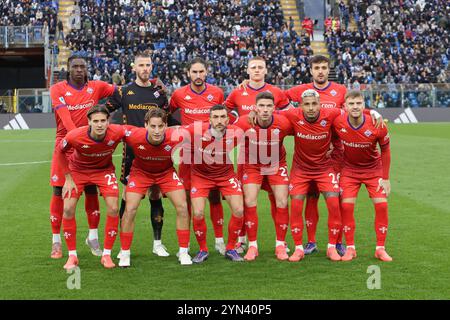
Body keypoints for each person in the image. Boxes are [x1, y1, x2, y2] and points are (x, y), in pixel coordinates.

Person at [49, 55, 116, 260]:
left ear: (86, 69)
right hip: (67, 144)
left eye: (82, 67)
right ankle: (56, 242)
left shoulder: (96, 87)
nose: (79, 70)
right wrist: (78, 138)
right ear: (69, 69)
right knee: (60, 190)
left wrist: (108, 110)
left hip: (89, 145)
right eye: (75, 67)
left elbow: (120, 93)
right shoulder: (58, 89)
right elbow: (65, 117)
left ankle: (93, 237)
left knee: (91, 188)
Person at [106, 51, 171, 258]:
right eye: (141, 65)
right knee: (128, 197)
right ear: (134, 68)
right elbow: (104, 110)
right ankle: (123, 246)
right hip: (131, 153)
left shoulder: (159, 94)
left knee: (155, 194)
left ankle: (158, 243)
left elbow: (168, 118)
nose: (145, 69)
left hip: (156, 151)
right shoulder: (124, 91)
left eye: (148, 65)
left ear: (152, 67)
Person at [225, 56, 292, 253]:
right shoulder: (238, 91)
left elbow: (292, 114)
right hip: (247, 158)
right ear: (247, 70)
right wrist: (238, 120)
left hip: (273, 157)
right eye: (253, 67)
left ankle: (281, 242)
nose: (256, 70)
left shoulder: (276, 92)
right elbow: (224, 111)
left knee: (277, 199)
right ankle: (243, 239)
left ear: (265, 70)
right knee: (246, 201)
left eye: (260, 67)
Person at [285, 55, 347, 256]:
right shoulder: (299, 92)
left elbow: (352, 112)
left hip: (333, 156)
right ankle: (309, 242)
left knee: (337, 199)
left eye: (324, 67)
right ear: (311, 70)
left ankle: (336, 243)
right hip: (306, 160)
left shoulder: (341, 91)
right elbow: (278, 98)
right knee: (310, 198)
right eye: (316, 68)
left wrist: (373, 113)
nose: (320, 71)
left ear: (329, 70)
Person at [118, 109, 192, 267]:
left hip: (166, 173)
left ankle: (183, 252)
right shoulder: (133, 134)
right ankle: (124, 253)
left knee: (183, 207)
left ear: (166, 125)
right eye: (153, 126)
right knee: (130, 209)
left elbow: (203, 127)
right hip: (140, 173)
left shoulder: (177, 135)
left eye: (160, 126)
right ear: (145, 125)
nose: (157, 131)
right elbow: (108, 130)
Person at [169, 57, 227, 255]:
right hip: (188, 153)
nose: (198, 75)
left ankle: (219, 240)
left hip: (214, 152)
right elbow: (167, 114)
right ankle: (189, 245)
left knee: (214, 196)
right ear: (188, 74)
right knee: (187, 197)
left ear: (207, 72)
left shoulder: (217, 93)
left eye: (201, 71)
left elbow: (226, 116)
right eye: (194, 72)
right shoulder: (178, 94)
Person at [56, 105, 126, 270]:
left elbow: (137, 135)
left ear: (108, 121)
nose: (100, 125)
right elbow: (60, 152)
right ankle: (72, 256)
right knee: (67, 209)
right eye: (96, 121)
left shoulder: (117, 131)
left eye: (103, 121)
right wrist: (67, 178)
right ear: (89, 122)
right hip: (77, 171)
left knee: (114, 208)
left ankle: (106, 254)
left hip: (104, 171)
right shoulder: (75, 135)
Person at [332, 90, 392, 262]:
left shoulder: (377, 123)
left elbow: (386, 150)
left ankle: (380, 248)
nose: (355, 106)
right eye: (351, 103)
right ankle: (350, 248)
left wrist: (386, 178)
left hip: (374, 171)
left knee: (381, 206)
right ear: (345, 106)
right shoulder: (338, 121)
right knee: (347, 207)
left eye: (359, 103)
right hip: (349, 171)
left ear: (364, 105)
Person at [183, 105, 245, 263]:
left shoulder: (236, 132)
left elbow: (254, 121)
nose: (219, 120)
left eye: (223, 117)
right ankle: (203, 250)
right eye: (215, 117)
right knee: (197, 213)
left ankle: (230, 248)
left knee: (238, 210)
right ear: (209, 119)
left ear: (228, 119)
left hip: (225, 175)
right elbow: (173, 131)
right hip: (201, 176)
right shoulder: (195, 131)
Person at [234, 92, 292, 261]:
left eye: (268, 106)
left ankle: (280, 245)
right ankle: (253, 246)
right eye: (261, 106)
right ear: (255, 108)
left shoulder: (283, 123)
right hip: (253, 165)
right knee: (250, 201)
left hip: (276, 165)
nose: (265, 110)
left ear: (274, 108)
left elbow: (304, 125)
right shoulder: (244, 122)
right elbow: (225, 130)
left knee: (282, 201)